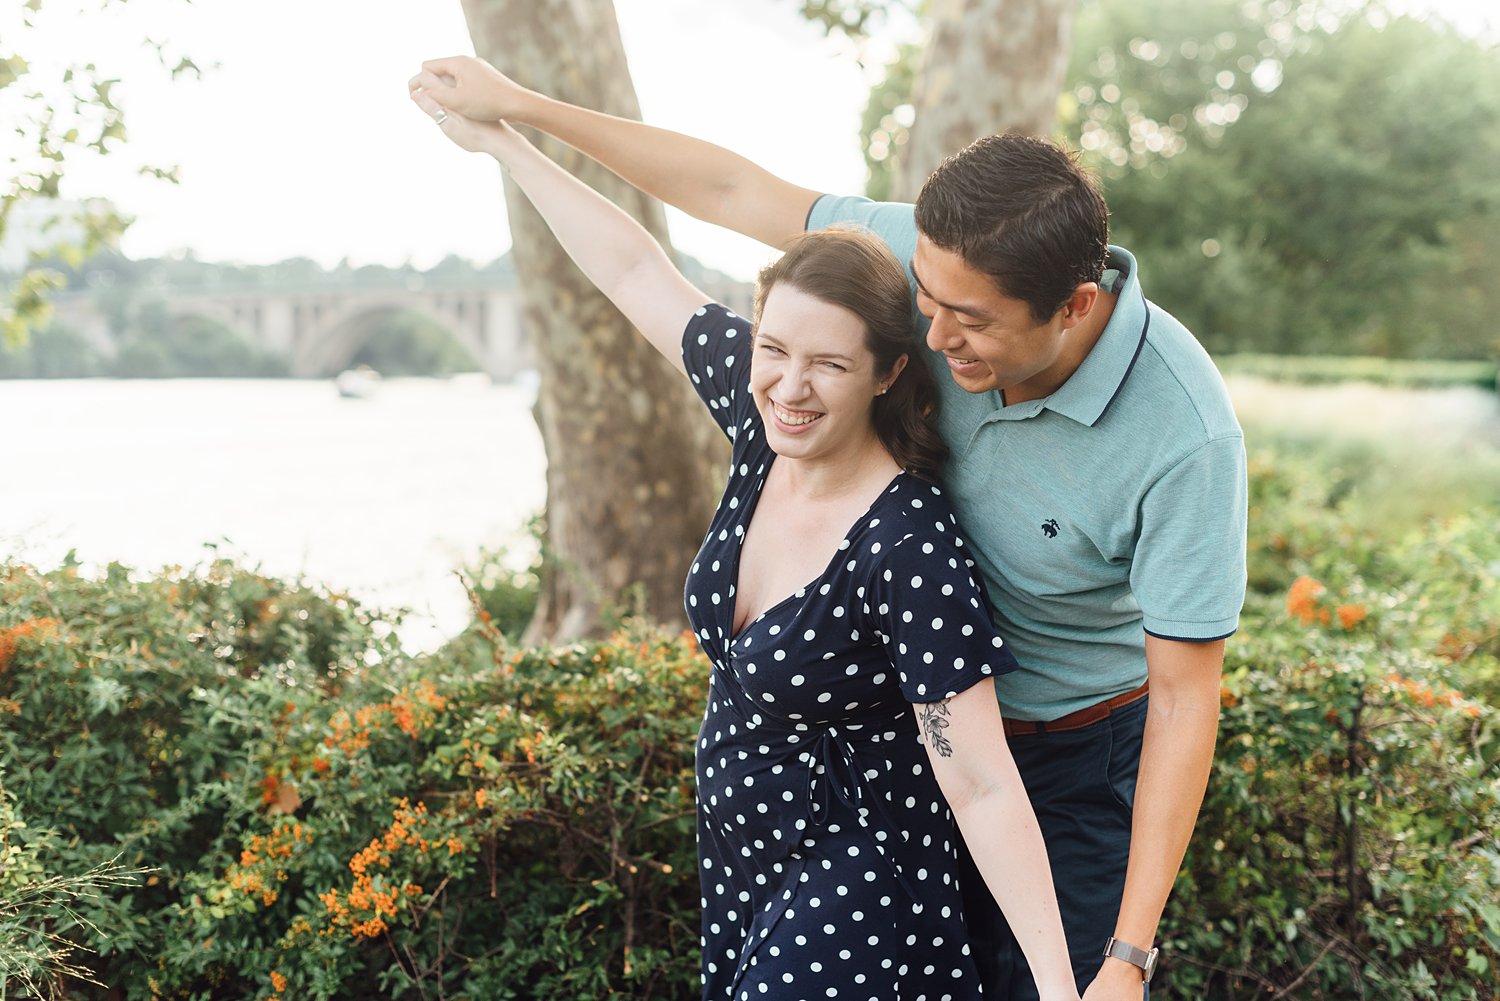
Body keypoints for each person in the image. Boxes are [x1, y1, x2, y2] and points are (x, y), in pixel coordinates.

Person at [408, 57, 1248, 1001]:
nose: (933, 336)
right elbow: (707, 209)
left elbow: (1182, 700)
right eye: (923, 303)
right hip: (873, 769)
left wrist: (1123, 958)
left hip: (1050, 758)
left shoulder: (1180, 438)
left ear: (1074, 307)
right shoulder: (919, 278)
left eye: (964, 320)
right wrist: (511, 117)